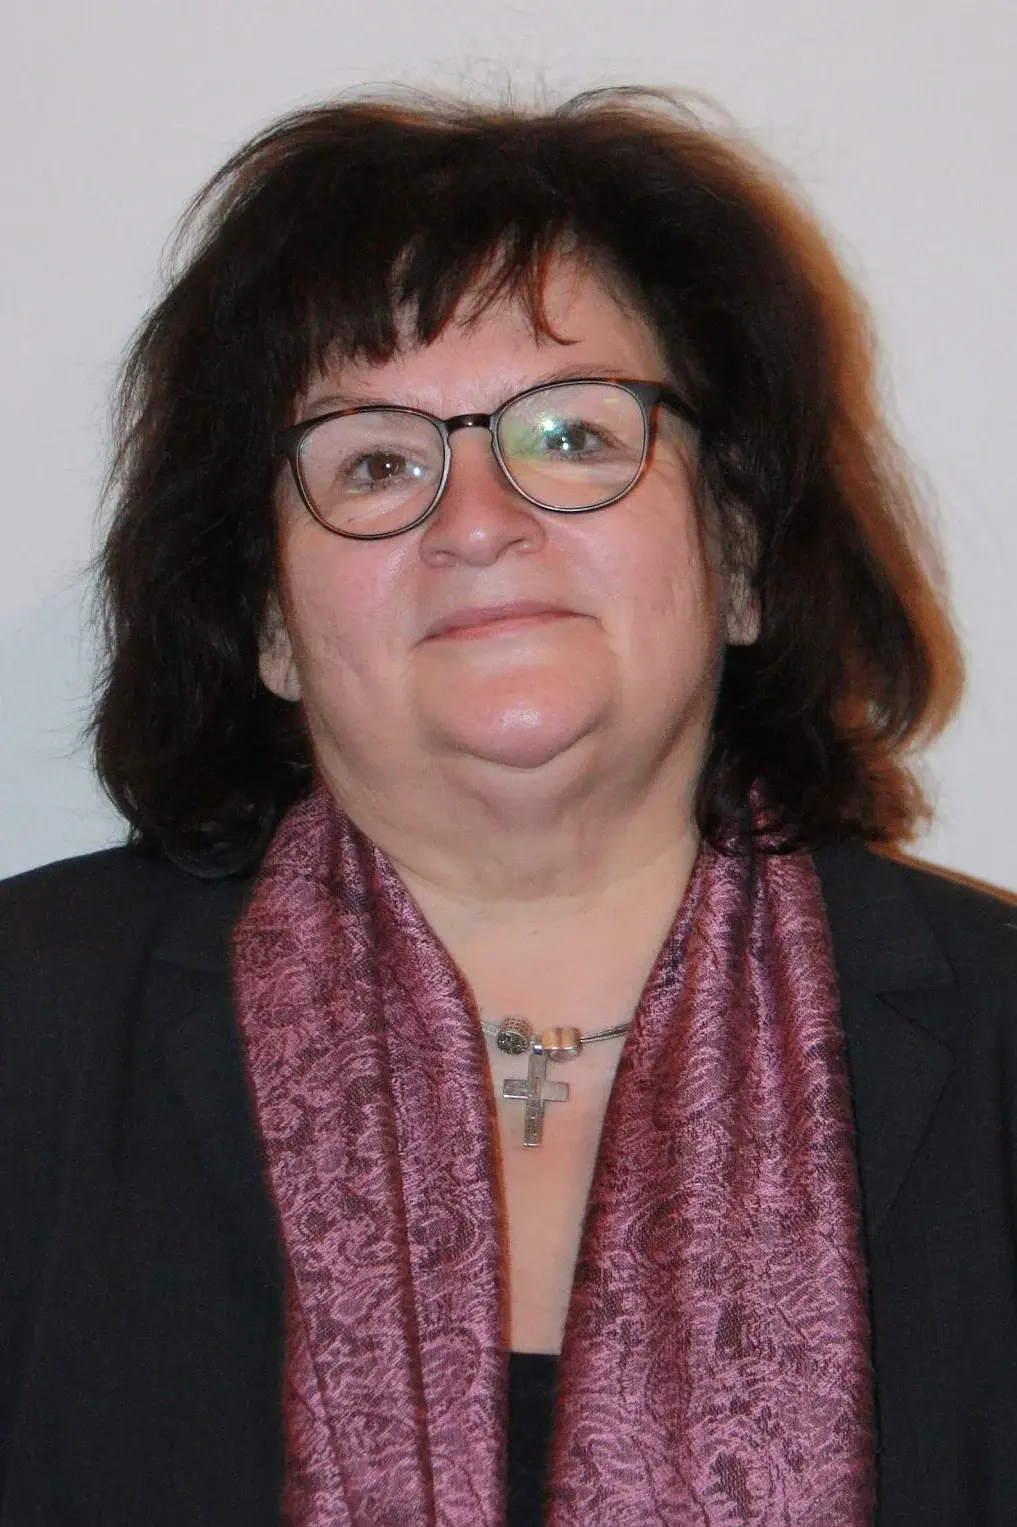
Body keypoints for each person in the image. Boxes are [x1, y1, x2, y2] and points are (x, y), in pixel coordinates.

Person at [1, 87, 1014, 1527]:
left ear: (737, 555)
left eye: (573, 436)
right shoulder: (26, 1028)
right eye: (376, 461)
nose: (477, 520)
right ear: (271, 623)